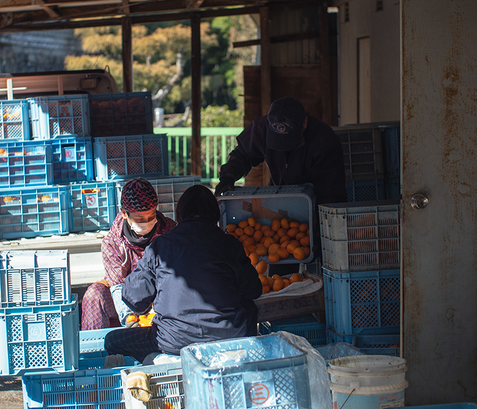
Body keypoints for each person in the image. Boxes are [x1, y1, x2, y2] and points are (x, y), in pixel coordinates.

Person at [104, 185, 262, 363]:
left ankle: (157, 360)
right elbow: (253, 290)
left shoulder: (160, 246)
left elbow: (134, 300)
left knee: (112, 341)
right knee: (249, 308)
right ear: (216, 215)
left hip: (173, 342)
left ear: (180, 214)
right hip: (229, 339)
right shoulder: (230, 244)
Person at [80, 178, 176, 330]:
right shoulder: (112, 242)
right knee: (94, 295)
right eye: (139, 218)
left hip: (164, 295)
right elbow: (117, 286)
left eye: (151, 217)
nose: (146, 221)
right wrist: (129, 319)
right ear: (124, 213)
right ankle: (96, 350)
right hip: (126, 299)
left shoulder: (170, 231)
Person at [214, 96, 347, 204]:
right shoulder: (262, 128)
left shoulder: (323, 140)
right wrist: (228, 176)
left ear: (304, 123)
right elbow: (243, 154)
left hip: (312, 201)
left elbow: (330, 191)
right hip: (278, 196)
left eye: (289, 139)